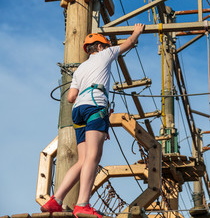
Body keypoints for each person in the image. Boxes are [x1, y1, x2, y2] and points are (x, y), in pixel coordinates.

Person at [40, 23, 145, 218]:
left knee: (82, 160)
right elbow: (129, 43)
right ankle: (82, 204)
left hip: (78, 111)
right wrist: (137, 32)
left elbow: (71, 97)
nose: (106, 48)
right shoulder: (105, 55)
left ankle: (56, 199)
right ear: (98, 47)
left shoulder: (80, 69)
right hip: (95, 106)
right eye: (104, 46)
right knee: (92, 158)